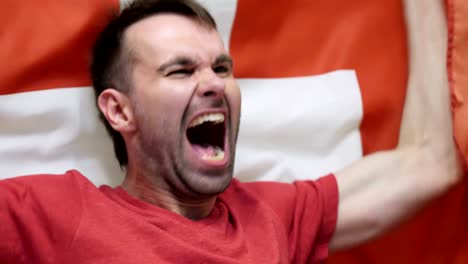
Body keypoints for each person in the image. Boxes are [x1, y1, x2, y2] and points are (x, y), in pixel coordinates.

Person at [0, 0, 461, 263]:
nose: (215, 84)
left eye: (221, 67)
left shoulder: (272, 216)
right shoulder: (59, 213)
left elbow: (429, 162)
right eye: (181, 71)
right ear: (120, 112)